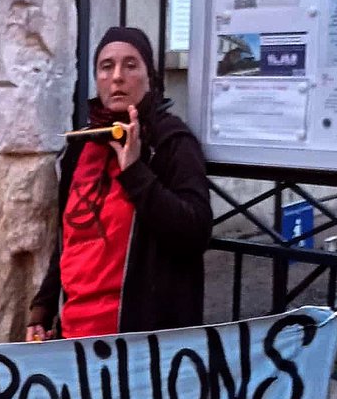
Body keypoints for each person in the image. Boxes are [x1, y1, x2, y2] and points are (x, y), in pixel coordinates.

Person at [27, 26, 212, 340]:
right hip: (73, 336)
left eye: (130, 65)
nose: (117, 77)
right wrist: (43, 307)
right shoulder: (79, 147)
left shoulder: (171, 143)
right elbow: (69, 240)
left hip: (137, 344)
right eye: (106, 66)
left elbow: (195, 231)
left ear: (149, 77)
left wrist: (136, 173)